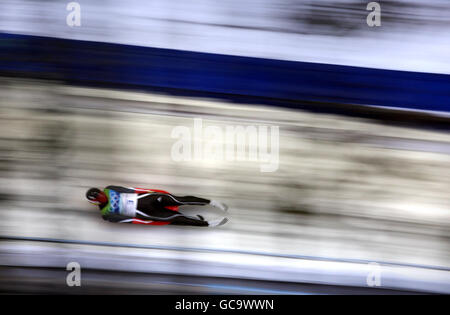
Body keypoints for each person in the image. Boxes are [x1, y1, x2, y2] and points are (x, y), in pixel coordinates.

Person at [86, 185, 228, 227]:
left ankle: (211, 202)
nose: (102, 196)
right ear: (96, 202)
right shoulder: (106, 214)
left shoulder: (110, 189)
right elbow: (129, 220)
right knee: (175, 217)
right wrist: (148, 221)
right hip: (145, 213)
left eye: (100, 193)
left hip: (147, 198)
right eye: (99, 197)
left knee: (178, 200)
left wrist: (152, 192)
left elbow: (133, 190)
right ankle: (207, 223)